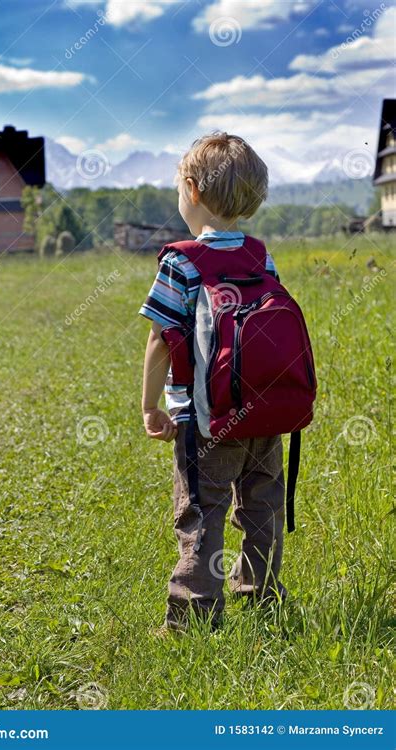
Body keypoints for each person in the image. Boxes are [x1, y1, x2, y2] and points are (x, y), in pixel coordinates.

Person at [139, 132, 287, 632]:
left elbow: (161, 339)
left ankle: (192, 619)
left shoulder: (179, 262)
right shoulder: (260, 256)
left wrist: (149, 406)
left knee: (202, 512)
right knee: (262, 507)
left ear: (191, 191)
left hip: (205, 421)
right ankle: (263, 598)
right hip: (265, 411)